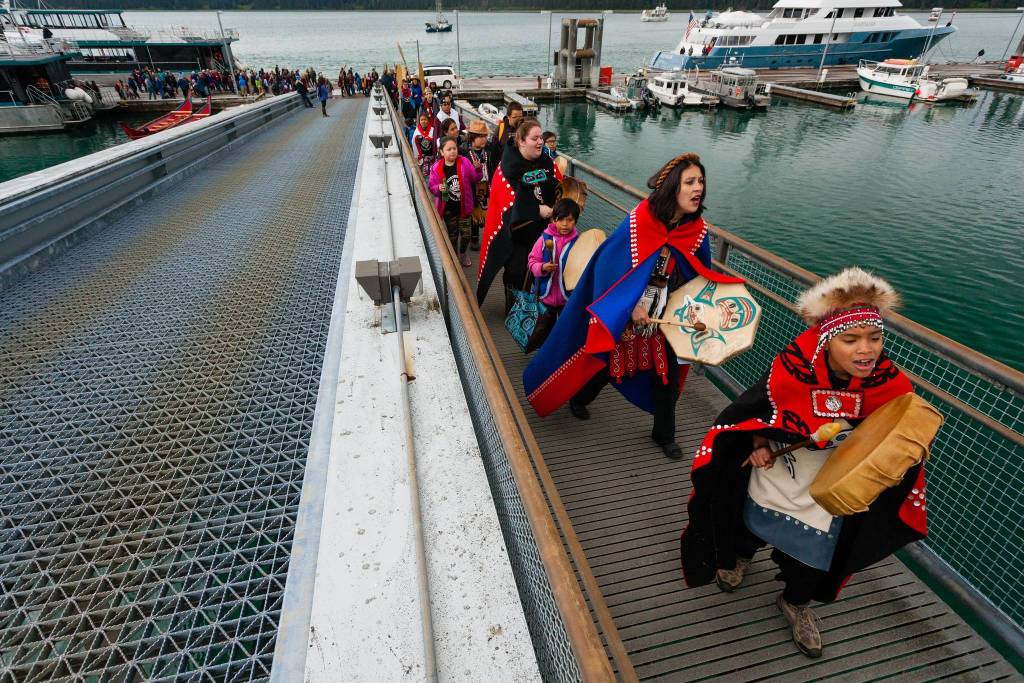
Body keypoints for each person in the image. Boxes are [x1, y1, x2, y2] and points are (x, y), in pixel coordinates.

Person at [680, 267, 928, 659]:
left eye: (875, 338)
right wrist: (759, 442)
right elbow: (754, 411)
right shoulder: (790, 369)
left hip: (831, 487)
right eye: (851, 339)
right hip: (779, 473)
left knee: (813, 559)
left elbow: (899, 437)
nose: (866, 350)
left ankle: (795, 603)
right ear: (827, 340)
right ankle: (739, 558)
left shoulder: (891, 385)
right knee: (750, 525)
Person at [523, 153, 743, 460]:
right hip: (628, 311)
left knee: (665, 374)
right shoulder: (642, 220)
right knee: (605, 362)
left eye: (701, 182)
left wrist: (699, 311)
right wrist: (628, 308)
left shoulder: (697, 232)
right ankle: (580, 398)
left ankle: (664, 435)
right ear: (672, 188)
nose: (698, 189)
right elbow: (608, 265)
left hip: (667, 316)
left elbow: (700, 277)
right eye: (690, 182)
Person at [477, 118, 562, 311]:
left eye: (541, 137)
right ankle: (512, 308)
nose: (540, 142)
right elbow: (506, 200)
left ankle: (535, 307)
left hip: (542, 230)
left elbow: (556, 183)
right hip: (516, 232)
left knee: (542, 269)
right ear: (522, 141)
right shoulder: (508, 166)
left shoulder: (545, 161)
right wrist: (536, 209)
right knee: (516, 271)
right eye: (535, 138)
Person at [429, 136, 482, 267]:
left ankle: (463, 253)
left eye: (454, 148)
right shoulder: (436, 167)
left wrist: (478, 169)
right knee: (452, 236)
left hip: (464, 207)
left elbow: (475, 178)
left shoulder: (464, 162)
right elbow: (432, 186)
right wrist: (438, 188)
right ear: (442, 152)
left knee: (466, 234)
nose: (452, 151)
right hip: (448, 209)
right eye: (449, 149)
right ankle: (454, 257)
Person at [527, 198, 580, 320]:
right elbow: (531, 262)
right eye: (560, 219)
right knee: (543, 330)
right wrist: (542, 267)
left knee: (563, 332)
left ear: (576, 221)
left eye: (570, 220)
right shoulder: (544, 240)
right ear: (553, 219)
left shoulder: (579, 243)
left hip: (567, 299)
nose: (565, 224)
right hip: (544, 297)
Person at [461, 120, 491, 251]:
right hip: (472, 187)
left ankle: (482, 234)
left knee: (483, 212)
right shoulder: (464, 152)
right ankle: (474, 238)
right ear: (472, 137)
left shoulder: (488, 151)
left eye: (485, 136)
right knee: (473, 212)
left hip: (485, 186)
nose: (484, 139)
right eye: (480, 136)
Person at [486, 101, 524, 177]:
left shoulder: (525, 128)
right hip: (504, 170)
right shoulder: (501, 129)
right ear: (508, 116)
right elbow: (494, 153)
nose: (518, 120)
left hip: (521, 169)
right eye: (515, 117)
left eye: (520, 117)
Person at [411, 111, 437, 178]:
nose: (423, 121)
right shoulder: (417, 131)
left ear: (428, 120)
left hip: (432, 157)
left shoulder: (432, 130)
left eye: (425, 119)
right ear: (419, 121)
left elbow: (435, 142)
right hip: (422, 157)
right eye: (421, 120)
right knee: (424, 174)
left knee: (433, 173)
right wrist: (418, 156)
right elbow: (414, 143)